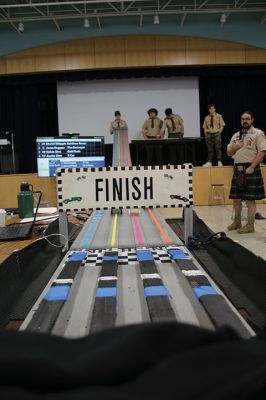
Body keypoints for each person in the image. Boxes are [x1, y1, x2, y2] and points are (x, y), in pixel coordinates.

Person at [227, 111, 266, 234]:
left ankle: (250, 225)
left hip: (251, 168)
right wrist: (235, 147)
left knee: (250, 199)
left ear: (252, 120)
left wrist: (253, 167)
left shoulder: (258, 133)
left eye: (247, 119)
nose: (245, 121)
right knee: (236, 198)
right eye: (243, 119)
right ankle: (237, 222)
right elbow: (229, 153)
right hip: (238, 169)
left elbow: (262, 151)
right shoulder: (236, 135)